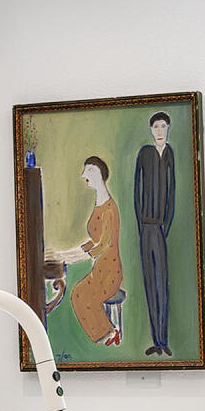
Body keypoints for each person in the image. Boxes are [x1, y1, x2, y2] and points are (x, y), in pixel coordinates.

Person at [47, 154, 126, 348]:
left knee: (81, 294)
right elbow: (92, 241)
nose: (84, 175)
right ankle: (110, 332)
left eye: (89, 170)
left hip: (110, 272)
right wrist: (62, 255)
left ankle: (110, 332)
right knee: (79, 294)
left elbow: (102, 246)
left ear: (100, 174)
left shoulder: (110, 209)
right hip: (99, 269)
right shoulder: (99, 205)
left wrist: (70, 259)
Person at [132, 111, 177, 357]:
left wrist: (165, 226)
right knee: (150, 283)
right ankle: (155, 340)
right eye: (156, 127)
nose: (160, 131)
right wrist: (141, 224)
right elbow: (136, 189)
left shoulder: (169, 154)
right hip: (146, 227)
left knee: (162, 283)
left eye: (163, 126)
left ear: (168, 129)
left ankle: (163, 340)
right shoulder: (144, 154)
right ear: (151, 130)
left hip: (160, 228)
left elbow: (172, 191)